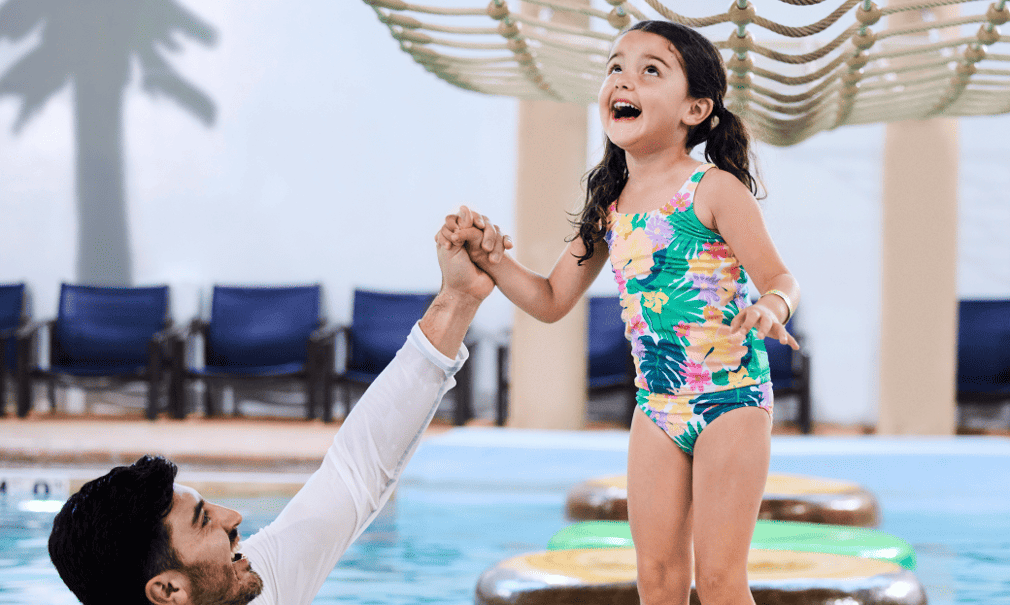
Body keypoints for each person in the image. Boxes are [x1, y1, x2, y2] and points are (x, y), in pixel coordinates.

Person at [441, 19, 800, 605]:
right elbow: (552, 300)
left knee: (717, 580)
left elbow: (780, 277)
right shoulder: (610, 207)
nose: (623, 80)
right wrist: (492, 259)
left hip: (730, 399)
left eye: (649, 70)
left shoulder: (714, 189)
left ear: (695, 108)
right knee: (656, 580)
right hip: (656, 407)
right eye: (615, 67)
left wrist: (772, 305)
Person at [46, 220, 510, 605]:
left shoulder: (250, 582)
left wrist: (459, 297)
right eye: (204, 520)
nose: (235, 519)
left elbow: (358, 469)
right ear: (169, 590)